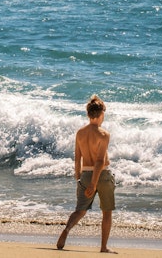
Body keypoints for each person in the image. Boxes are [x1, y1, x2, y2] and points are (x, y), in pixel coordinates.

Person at [56, 94, 115, 253]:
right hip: (101, 176)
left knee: (80, 210)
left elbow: (77, 158)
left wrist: (79, 179)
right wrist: (94, 183)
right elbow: (100, 161)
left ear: (89, 114)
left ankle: (66, 230)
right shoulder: (104, 134)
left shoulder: (80, 133)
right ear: (101, 114)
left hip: (85, 174)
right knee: (107, 211)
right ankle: (103, 247)